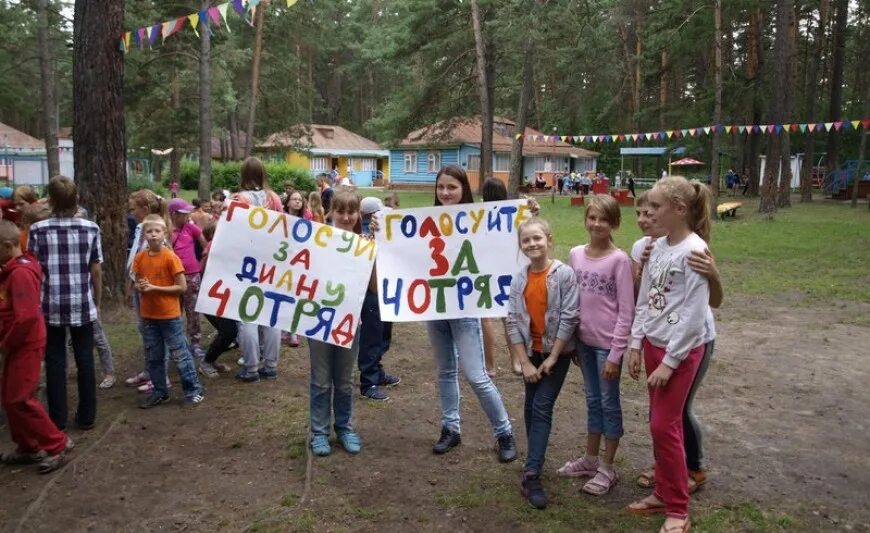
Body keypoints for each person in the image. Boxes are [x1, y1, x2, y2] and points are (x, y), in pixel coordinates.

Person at [371, 164, 517, 462]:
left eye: (452, 187)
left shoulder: (479, 222)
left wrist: (528, 215)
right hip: (435, 308)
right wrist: (380, 229)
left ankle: (504, 432)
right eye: (441, 187)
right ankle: (451, 427)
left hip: (464, 310)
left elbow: (507, 238)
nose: (446, 192)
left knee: (477, 375)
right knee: (445, 371)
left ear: (464, 189)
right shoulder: (426, 221)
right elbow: (403, 247)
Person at [625, 177, 713, 533]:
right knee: (660, 424)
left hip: (680, 351)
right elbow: (645, 299)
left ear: (679, 210)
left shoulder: (694, 250)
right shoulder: (657, 247)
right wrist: (635, 343)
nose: (649, 212)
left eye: (657, 207)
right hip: (652, 344)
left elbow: (693, 315)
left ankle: (678, 509)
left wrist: (670, 362)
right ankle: (664, 491)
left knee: (665, 425)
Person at [557, 195, 634, 496]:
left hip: (607, 348)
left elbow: (626, 311)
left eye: (604, 219)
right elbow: (572, 300)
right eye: (592, 217)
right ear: (585, 220)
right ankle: (590, 459)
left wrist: (616, 354)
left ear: (614, 223)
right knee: (592, 401)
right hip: (584, 346)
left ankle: (608, 467)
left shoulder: (620, 260)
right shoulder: (575, 254)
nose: (597, 224)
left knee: (609, 404)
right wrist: (574, 341)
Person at [506, 217, 579, 509]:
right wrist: (524, 361)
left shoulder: (564, 274)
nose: (532, 244)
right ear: (521, 246)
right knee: (529, 405)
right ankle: (532, 459)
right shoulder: (518, 278)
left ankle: (532, 473)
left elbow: (570, 316)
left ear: (549, 239)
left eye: (537, 238)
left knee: (541, 406)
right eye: (526, 240)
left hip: (556, 354)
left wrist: (552, 356)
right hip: (531, 355)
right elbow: (512, 320)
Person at [28, 176, 101, 430]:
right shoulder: (91, 228)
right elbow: (96, 268)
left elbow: (34, 270)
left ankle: (57, 418)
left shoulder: (38, 230)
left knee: (55, 360)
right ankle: (87, 415)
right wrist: (97, 299)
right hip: (82, 301)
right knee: (85, 359)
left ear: (50, 200)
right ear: (76, 198)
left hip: (51, 303)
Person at [0, 220, 73, 474]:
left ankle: (57, 443)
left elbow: (26, 317)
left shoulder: (20, 274)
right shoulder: (12, 269)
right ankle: (27, 446)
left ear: (8, 246)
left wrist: (6, 343)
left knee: (21, 398)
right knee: (9, 398)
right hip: (15, 342)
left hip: (25, 343)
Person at [308, 189, 364, 456]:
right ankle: (319, 432)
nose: (345, 216)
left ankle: (344, 428)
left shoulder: (365, 244)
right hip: (318, 317)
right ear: (331, 212)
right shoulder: (315, 239)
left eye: (351, 211)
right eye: (340, 211)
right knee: (320, 380)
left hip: (350, 320)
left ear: (358, 214)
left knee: (344, 380)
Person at [133, 215, 204, 408]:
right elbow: (138, 282)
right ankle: (159, 391)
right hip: (149, 315)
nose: (153, 234)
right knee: (154, 356)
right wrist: (140, 287)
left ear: (165, 234)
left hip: (169, 316)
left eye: (157, 231)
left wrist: (154, 288)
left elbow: (181, 287)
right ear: (144, 235)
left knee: (180, 354)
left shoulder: (171, 258)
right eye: (149, 231)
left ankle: (193, 390)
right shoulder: (140, 258)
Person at [232, 157, 283, 382]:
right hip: (271, 261)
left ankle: (251, 367)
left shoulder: (238, 199)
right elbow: (283, 227)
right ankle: (270, 364)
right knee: (271, 314)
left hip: (246, 262)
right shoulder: (274, 199)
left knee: (246, 315)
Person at [124, 189, 170, 392]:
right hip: (139, 286)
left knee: (156, 333)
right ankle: (150, 369)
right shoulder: (141, 229)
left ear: (144, 208)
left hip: (150, 289)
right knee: (145, 331)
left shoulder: (156, 232)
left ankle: (161, 377)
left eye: (133, 209)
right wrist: (130, 283)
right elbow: (135, 258)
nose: (131, 213)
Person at [357, 197, 399, 401]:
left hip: (385, 287)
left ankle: (377, 371)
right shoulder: (364, 234)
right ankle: (368, 381)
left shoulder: (382, 230)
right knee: (372, 336)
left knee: (383, 334)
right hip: (371, 291)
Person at [197, 221, 239, 379]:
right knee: (229, 331)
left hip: (223, 296)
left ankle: (211, 360)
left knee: (228, 332)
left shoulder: (229, 248)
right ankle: (206, 362)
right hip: (212, 297)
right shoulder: (213, 248)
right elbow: (204, 270)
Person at [168, 199, 208, 359]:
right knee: (174, 311)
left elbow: (205, 245)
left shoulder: (190, 227)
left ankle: (195, 343)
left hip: (192, 275)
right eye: (184, 213)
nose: (187, 216)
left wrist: (200, 263)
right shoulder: (166, 231)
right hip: (174, 278)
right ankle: (177, 343)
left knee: (193, 311)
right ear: (174, 214)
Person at [480, 177, 508, 376]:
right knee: (509, 316)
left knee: (486, 317)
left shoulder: (477, 214)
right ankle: (516, 359)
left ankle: (490, 366)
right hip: (506, 266)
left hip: (485, 269)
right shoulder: (512, 211)